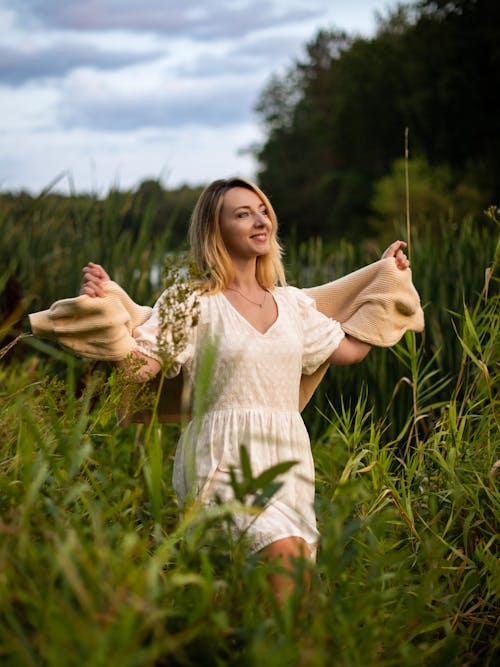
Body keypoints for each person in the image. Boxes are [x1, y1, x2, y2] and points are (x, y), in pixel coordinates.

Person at [80, 177, 411, 602]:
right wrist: (104, 314)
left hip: (287, 457)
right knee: (284, 558)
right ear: (215, 231)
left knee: (288, 586)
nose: (260, 221)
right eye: (242, 214)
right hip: (220, 455)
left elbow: (349, 349)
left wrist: (386, 280)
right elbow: (142, 366)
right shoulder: (192, 302)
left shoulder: (293, 305)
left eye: (263, 211)